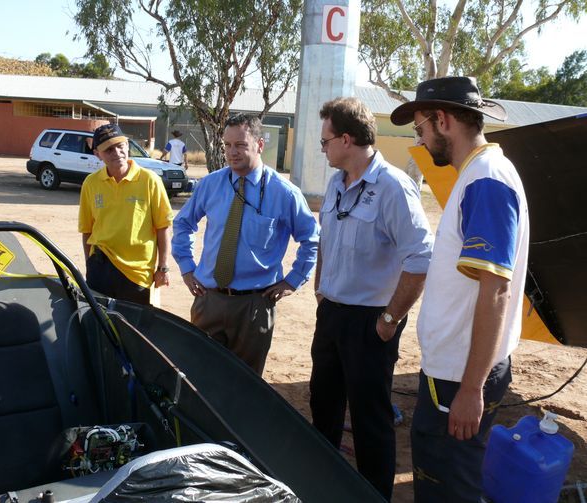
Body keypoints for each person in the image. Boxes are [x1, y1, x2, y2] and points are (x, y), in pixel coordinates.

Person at [390, 76, 530, 502]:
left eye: (420, 129)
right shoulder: (478, 175)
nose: (421, 139)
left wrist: (471, 388)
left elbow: (496, 291)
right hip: (455, 373)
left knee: (448, 487)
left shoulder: (485, 179)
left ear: (443, 120)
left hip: (460, 379)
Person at [310, 97, 433, 501]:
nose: (323, 147)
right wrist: (320, 284)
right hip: (331, 315)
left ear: (347, 139)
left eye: (326, 140)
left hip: (370, 323)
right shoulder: (336, 182)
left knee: (370, 420)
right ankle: (323, 484)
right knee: (323, 406)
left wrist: (389, 319)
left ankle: (372, 495)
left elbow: (421, 258)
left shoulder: (394, 188)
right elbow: (327, 234)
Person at [171, 113, 319, 375]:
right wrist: (186, 267)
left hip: (254, 307)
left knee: (245, 386)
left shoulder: (283, 193)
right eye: (227, 145)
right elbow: (182, 224)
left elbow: (312, 239)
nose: (232, 152)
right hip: (209, 301)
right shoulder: (211, 184)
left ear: (260, 145)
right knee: (200, 377)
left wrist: (293, 280)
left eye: (240, 145)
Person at [78, 123, 173, 305]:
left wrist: (163, 267)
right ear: (97, 154)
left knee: (135, 329)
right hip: (100, 267)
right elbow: (87, 230)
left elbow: (163, 227)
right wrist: (89, 265)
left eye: (120, 146)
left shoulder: (149, 180)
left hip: (137, 275)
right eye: (109, 150)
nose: (117, 153)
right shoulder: (90, 183)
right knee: (101, 326)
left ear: (127, 145)